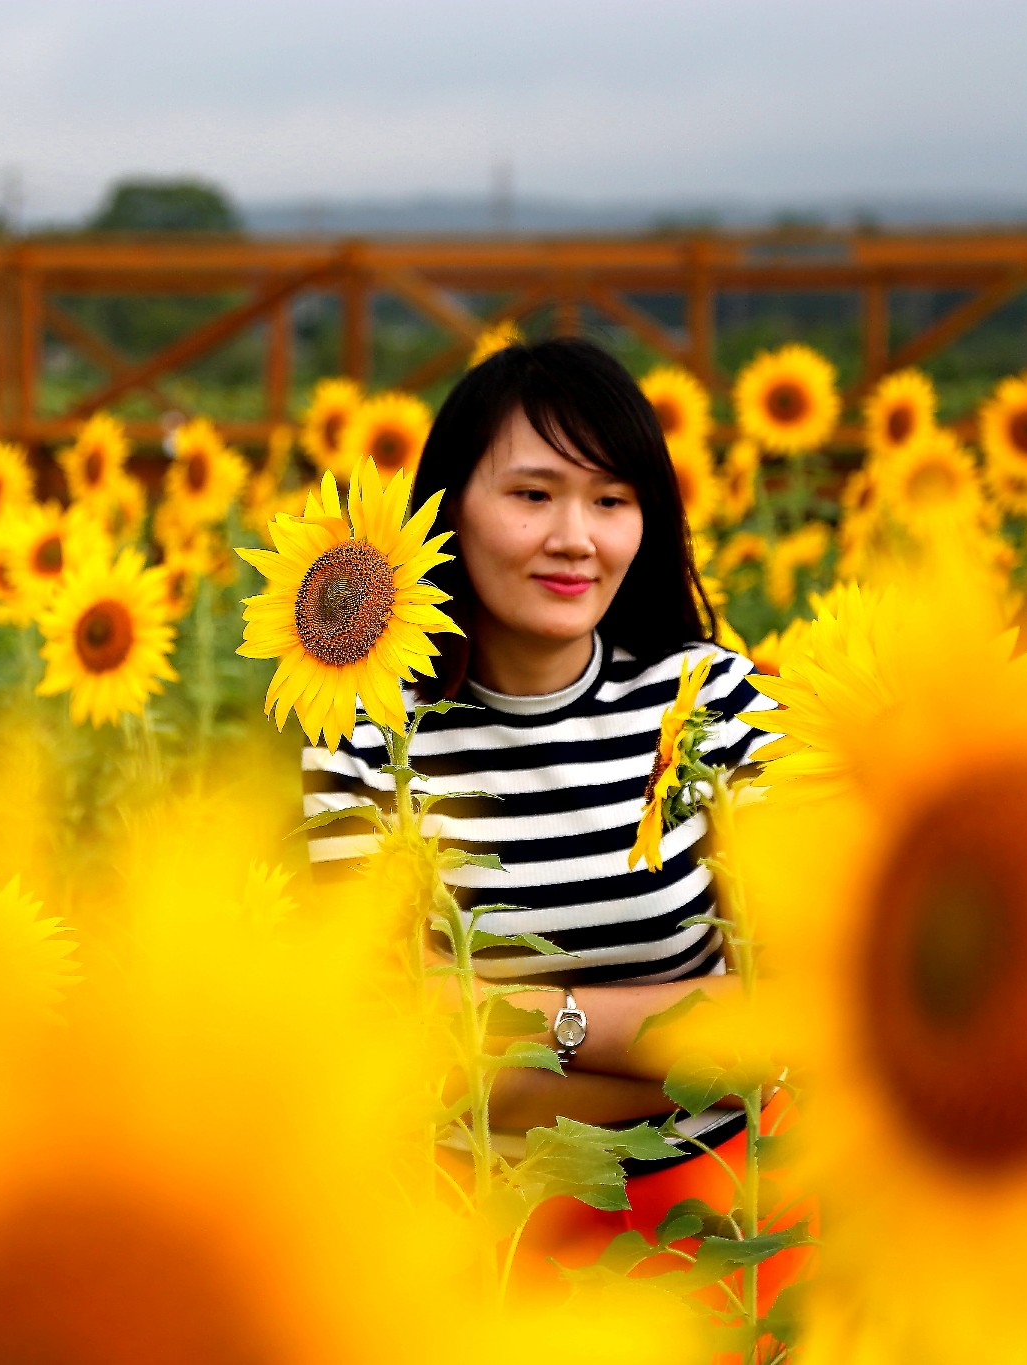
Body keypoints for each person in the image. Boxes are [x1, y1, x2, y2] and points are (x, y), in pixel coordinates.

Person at [301, 336, 807, 1300]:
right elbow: (394, 1055)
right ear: (446, 513)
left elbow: (794, 1020)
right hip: (480, 1239)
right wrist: (682, 1052)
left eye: (611, 500)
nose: (577, 536)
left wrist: (529, 1022)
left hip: (722, 1228)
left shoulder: (715, 703)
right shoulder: (366, 736)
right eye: (534, 495)